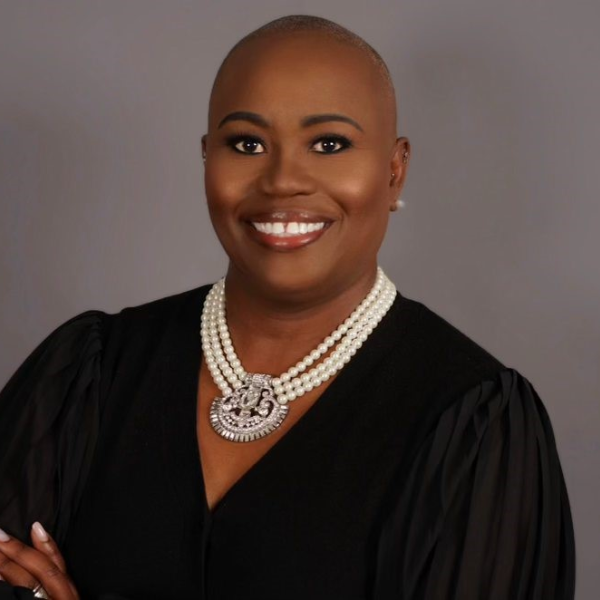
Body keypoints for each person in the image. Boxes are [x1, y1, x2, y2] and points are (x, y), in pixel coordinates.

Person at [0, 14, 575, 600]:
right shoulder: (90, 374)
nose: (281, 181)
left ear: (395, 169)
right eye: (247, 144)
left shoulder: (473, 426)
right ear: (207, 157)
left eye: (329, 144)